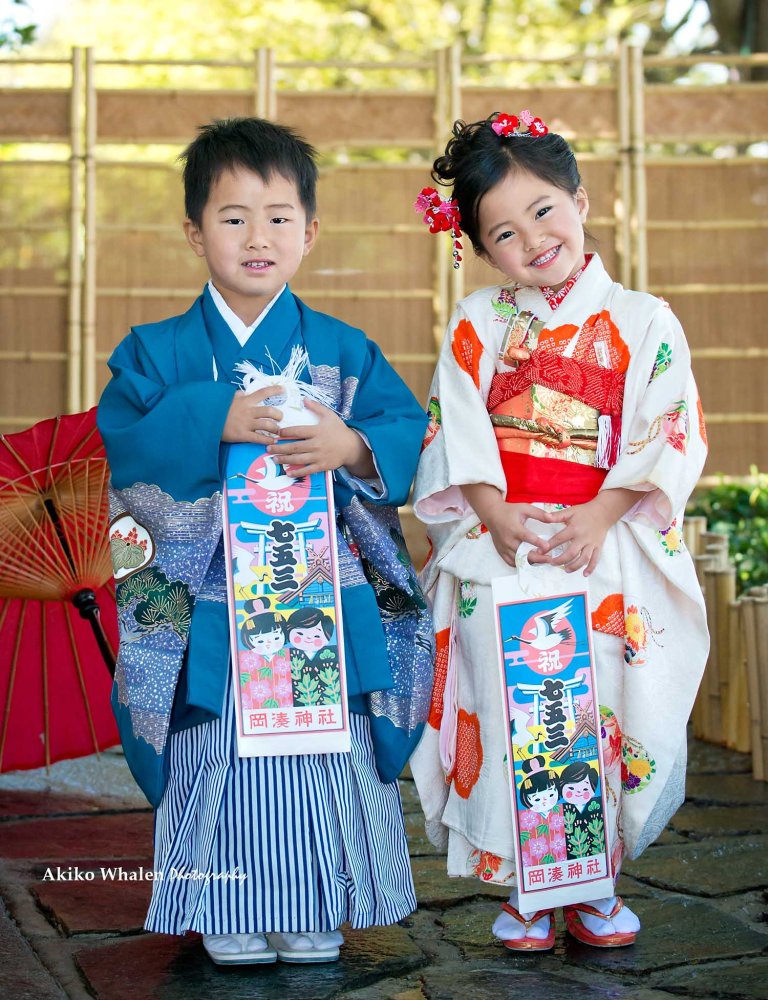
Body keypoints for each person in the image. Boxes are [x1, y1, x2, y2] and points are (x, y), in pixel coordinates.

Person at [98, 117, 433, 967]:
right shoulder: (157, 353)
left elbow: (404, 429)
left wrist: (351, 445)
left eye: (279, 217)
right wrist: (213, 416)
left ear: (310, 233)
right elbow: (128, 444)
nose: (258, 237)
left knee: (323, 746)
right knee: (219, 746)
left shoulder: (342, 349)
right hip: (211, 606)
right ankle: (227, 904)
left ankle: (315, 900)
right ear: (194, 231)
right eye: (233, 216)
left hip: (318, 594)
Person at [410, 110, 708, 951]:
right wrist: (497, 514)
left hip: (600, 541)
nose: (532, 238)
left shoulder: (644, 320)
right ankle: (529, 892)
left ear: (580, 199)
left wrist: (604, 512)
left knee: (602, 713)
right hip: (501, 540)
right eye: (503, 231)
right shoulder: (476, 321)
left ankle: (594, 884)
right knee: (510, 716)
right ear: (478, 248)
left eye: (544, 209)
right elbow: (459, 424)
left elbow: (666, 424)